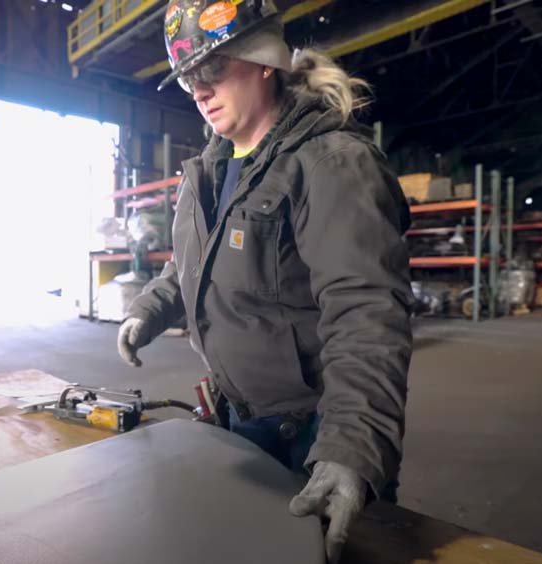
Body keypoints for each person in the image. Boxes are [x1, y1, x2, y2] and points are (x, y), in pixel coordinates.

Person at [116, 1, 413, 562]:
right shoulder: (211, 166)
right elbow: (190, 264)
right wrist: (149, 308)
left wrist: (351, 448)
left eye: (211, 71)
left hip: (311, 434)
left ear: (262, 62)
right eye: (187, 81)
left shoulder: (331, 164)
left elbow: (367, 313)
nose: (199, 91)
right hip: (237, 420)